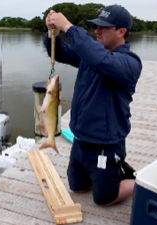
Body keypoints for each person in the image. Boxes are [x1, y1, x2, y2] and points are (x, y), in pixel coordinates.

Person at [43, 4, 142, 206]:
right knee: (77, 188)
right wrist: (51, 34)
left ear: (121, 32)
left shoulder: (129, 63)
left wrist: (69, 28)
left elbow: (101, 60)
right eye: (96, 26)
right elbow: (62, 53)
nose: (97, 30)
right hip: (81, 140)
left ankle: (138, 182)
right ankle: (109, 173)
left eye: (104, 27)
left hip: (105, 145)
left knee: (104, 200)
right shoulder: (91, 56)